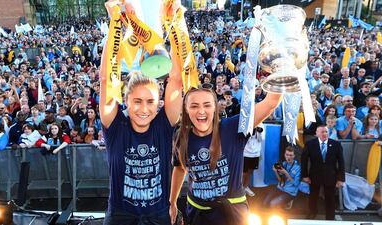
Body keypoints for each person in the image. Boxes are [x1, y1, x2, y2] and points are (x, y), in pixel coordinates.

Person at [100, 1, 183, 224]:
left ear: (159, 104)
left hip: (158, 216)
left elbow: (176, 80)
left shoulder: (163, 125)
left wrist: (175, 23)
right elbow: (106, 79)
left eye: (150, 102)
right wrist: (114, 26)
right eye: (137, 101)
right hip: (120, 217)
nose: (144, 109)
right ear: (125, 100)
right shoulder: (115, 127)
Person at [169, 87, 282, 225]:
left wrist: (281, 69)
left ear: (215, 108)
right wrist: (172, 201)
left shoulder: (233, 127)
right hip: (197, 213)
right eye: (194, 106)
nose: (201, 111)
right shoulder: (180, 135)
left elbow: (271, 102)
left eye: (207, 105)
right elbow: (180, 168)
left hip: (232, 213)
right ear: (186, 109)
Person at [301, 125, 345, 220]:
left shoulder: (336, 144)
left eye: (326, 132)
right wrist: (304, 176)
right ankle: (312, 212)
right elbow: (304, 161)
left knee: (330, 198)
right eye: (322, 132)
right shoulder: (310, 144)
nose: (324, 134)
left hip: (330, 176)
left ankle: (330, 217)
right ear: (316, 134)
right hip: (314, 175)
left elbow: (341, 162)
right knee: (313, 197)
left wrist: (341, 179)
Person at [242, 125, 263, 197]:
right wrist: (250, 130)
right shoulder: (247, 121)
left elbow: (261, 139)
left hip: (255, 153)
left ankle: (245, 187)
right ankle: (239, 188)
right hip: (245, 153)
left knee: (250, 172)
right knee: (243, 173)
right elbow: (242, 137)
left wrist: (258, 131)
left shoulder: (261, 124)